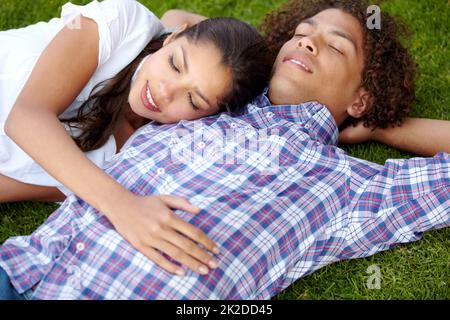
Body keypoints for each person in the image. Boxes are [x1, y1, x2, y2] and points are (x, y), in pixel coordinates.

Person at [0, 0, 449, 299]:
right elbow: (184, 23)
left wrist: (384, 126)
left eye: (335, 46)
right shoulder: (211, 100)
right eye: (300, 32)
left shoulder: (346, 184)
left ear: (361, 97)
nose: (305, 41)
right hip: (23, 268)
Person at [0, 0, 272, 275]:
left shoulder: (138, 154)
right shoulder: (123, 23)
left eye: (193, 99)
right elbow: (26, 117)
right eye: (175, 65)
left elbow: (19, 184)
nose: (164, 91)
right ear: (174, 36)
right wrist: (122, 204)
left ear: (210, 116)